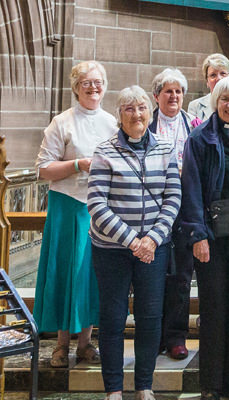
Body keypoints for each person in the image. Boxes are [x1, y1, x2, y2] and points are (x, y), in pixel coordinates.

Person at [88, 85, 181, 400]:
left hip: (154, 249)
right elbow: (97, 204)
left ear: (149, 113)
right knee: (113, 319)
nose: (136, 114)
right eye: (129, 109)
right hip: (112, 251)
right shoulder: (105, 151)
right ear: (119, 115)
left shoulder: (165, 148)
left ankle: (144, 385)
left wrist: (152, 239)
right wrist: (132, 241)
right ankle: (113, 389)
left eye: (141, 108)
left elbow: (173, 198)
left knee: (150, 318)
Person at [34, 60, 116, 368]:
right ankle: (60, 344)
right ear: (76, 88)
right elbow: (43, 169)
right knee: (65, 272)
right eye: (87, 83)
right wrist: (78, 164)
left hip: (100, 208)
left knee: (91, 275)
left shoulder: (112, 123)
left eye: (98, 82)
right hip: (68, 207)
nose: (93, 88)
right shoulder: (62, 122)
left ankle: (85, 343)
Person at [180, 77, 229, 400]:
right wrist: (198, 235)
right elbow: (191, 190)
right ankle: (211, 385)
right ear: (215, 102)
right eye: (224, 99)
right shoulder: (199, 138)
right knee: (213, 309)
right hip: (209, 237)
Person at [149, 67, 201, 361]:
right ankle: (153, 334)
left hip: (184, 209)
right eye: (168, 91)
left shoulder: (194, 124)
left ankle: (176, 336)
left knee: (181, 275)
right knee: (153, 273)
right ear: (156, 96)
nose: (174, 96)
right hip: (152, 209)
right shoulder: (145, 124)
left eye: (178, 91)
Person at [188, 53, 229, 121]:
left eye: (223, 73)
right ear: (207, 81)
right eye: (213, 75)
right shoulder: (195, 107)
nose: (219, 78)